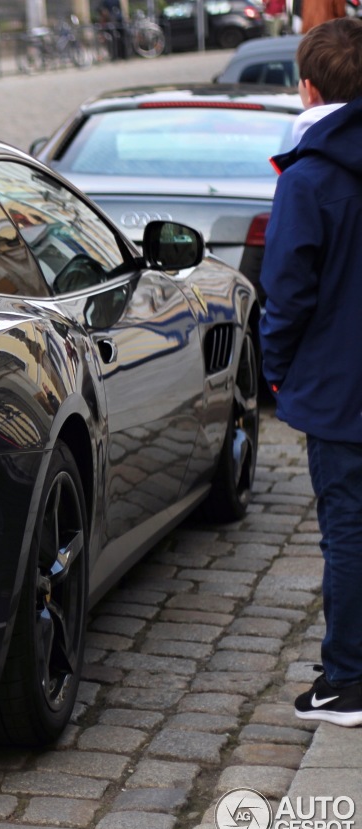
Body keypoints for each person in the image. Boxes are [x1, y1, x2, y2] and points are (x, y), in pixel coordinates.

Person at [260, 17, 362, 727]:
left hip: (342, 387)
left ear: (306, 88)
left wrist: (273, 373)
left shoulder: (313, 177)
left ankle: (348, 681)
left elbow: (287, 294)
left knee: (349, 532)